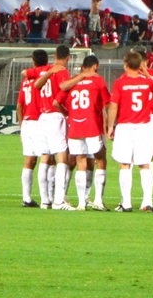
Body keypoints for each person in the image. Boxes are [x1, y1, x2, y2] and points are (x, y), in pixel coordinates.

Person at [107, 51, 153, 212]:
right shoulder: (146, 83)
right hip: (143, 127)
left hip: (125, 127)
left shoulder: (120, 83)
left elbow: (113, 105)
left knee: (125, 164)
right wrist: (145, 73)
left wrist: (111, 126)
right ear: (139, 66)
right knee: (144, 165)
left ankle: (127, 203)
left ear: (125, 65)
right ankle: (147, 202)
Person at [55, 54, 111, 211]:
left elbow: (56, 102)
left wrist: (68, 114)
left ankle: (81, 203)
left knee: (80, 161)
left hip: (75, 127)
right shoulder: (98, 80)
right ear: (95, 66)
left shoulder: (73, 81)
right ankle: (98, 200)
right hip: (93, 126)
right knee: (100, 160)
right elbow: (107, 103)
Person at [25, 45, 72, 210]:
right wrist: (67, 114)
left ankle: (45, 201)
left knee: (45, 158)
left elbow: (36, 85)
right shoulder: (63, 72)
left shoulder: (46, 70)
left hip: (42, 117)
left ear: (54, 56)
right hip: (55, 116)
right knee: (62, 158)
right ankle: (59, 200)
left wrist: (50, 72)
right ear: (68, 58)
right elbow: (60, 97)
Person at [16, 50, 47, 207]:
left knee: (29, 160)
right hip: (39, 122)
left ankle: (26, 198)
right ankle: (46, 199)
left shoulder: (25, 81)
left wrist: (21, 127)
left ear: (34, 62)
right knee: (46, 159)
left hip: (27, 124)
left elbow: (19, 106)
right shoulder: (44, 79)